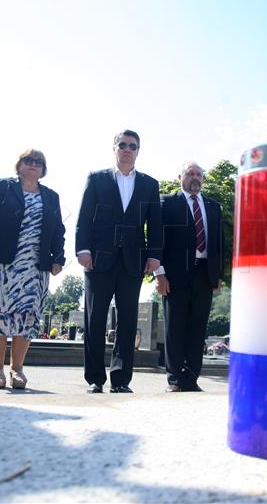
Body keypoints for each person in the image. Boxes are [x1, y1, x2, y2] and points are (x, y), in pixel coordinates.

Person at [75, 130, 162, 394]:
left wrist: (154, 255)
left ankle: (121, 379)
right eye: (122, 145)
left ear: (138, 151)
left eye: (132, 146)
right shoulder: (96, 179)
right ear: (114, 148)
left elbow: (155, 224)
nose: (127, 149)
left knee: (127, 320)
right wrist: (83, 250)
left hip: (133, 260)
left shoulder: (149, 183)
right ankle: (94, 379)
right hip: (98, 259)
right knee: (95, 319)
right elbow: (84, 217)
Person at [0, 149, 65, 389]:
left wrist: (58, 258)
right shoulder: (2, 187)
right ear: (19, 165)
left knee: (26, 316)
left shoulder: (51, 196)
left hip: (34, 268)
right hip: (0, 265)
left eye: (39, 162)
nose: (34, 165)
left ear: (44, 169)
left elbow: (58, 229)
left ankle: (17, 370)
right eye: (29, 160)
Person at [154, 162, 226, 392]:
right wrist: (160, 273)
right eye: (190, 174)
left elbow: (219, 244)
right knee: (175, 327)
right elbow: (158, 239)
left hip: (204, 274)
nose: (195, 178)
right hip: (174, 275)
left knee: (198, 328)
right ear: (180, 177)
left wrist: (217, 275)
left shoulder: (214, 207)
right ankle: (174, 380)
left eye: (198, 174)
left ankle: (191, 379)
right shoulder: (166, 202)